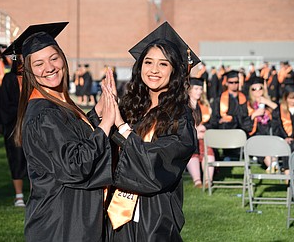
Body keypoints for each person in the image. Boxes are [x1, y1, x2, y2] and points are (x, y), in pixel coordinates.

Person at [2, 22, 115, 241]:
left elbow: (69, 138)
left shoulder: (53, 104)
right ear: (28, 71)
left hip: (66, 216)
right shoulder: (44, 114)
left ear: (63, 58)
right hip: (60, 222)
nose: (50, 67)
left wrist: (96, 113)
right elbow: (75, 164)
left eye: (54, 58)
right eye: (39, 63)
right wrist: (105, 124)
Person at [106, 21, 199, 241]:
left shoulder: (179, 117)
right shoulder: (130, 108)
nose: (154, 70)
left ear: (175, 70)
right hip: (116, 213)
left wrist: (122, 128)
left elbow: (155, 164)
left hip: (154, 214)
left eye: (163, 64)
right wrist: (102, 110)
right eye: (148, 62)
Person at [0, 55, 27, 207]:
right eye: (20, 60)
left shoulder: (34, 79)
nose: (23, 64)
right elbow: (4, 105)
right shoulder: (9, 79)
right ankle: (19, 195)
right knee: (16, 159)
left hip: (33, 125)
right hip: (14, 126)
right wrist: (23, 111)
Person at [211, 70, 252, 160]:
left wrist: (232, 119)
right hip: (223, 130)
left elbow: (245, 117)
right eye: (231, 82)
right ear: (226, 83)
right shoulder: (219, 99)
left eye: (236, 82)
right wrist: (219, 120)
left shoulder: (244, 98)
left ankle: (232, 155)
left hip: (239, 129)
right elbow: (214, 117)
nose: (234, 84)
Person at [186, 77, 215, 188]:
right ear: (189, 90)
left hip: (203, 136)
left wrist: (204, 127)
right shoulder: (184, 106)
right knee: (192, 148)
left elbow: (213, 121)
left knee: (207, 148)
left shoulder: (205, 105)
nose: (199, 91)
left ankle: (208, 180)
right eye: (196, 89)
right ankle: (197, 180)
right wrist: (194, 131)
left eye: (200, 89)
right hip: (189, 136)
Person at [247, 77, 278, 171]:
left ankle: (273, 165)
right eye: (254, 89)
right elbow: (244, 123)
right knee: (261, 143)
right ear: (250, 91)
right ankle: (272, 166)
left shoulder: (269, 103)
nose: (257, 91)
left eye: (260, 88)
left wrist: (267, 102)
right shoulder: (248, 105)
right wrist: (254, 115)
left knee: (273, 139)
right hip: (256, 133)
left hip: (271, 133)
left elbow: (281, 114)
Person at [271, 81, 294, 176]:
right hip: (283, 140)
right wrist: (284, 138)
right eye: (290, 98)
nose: (293, 101)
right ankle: (288, 175)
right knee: (289, 145)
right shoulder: (278, 111)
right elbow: (276, 128)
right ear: (285, 98)